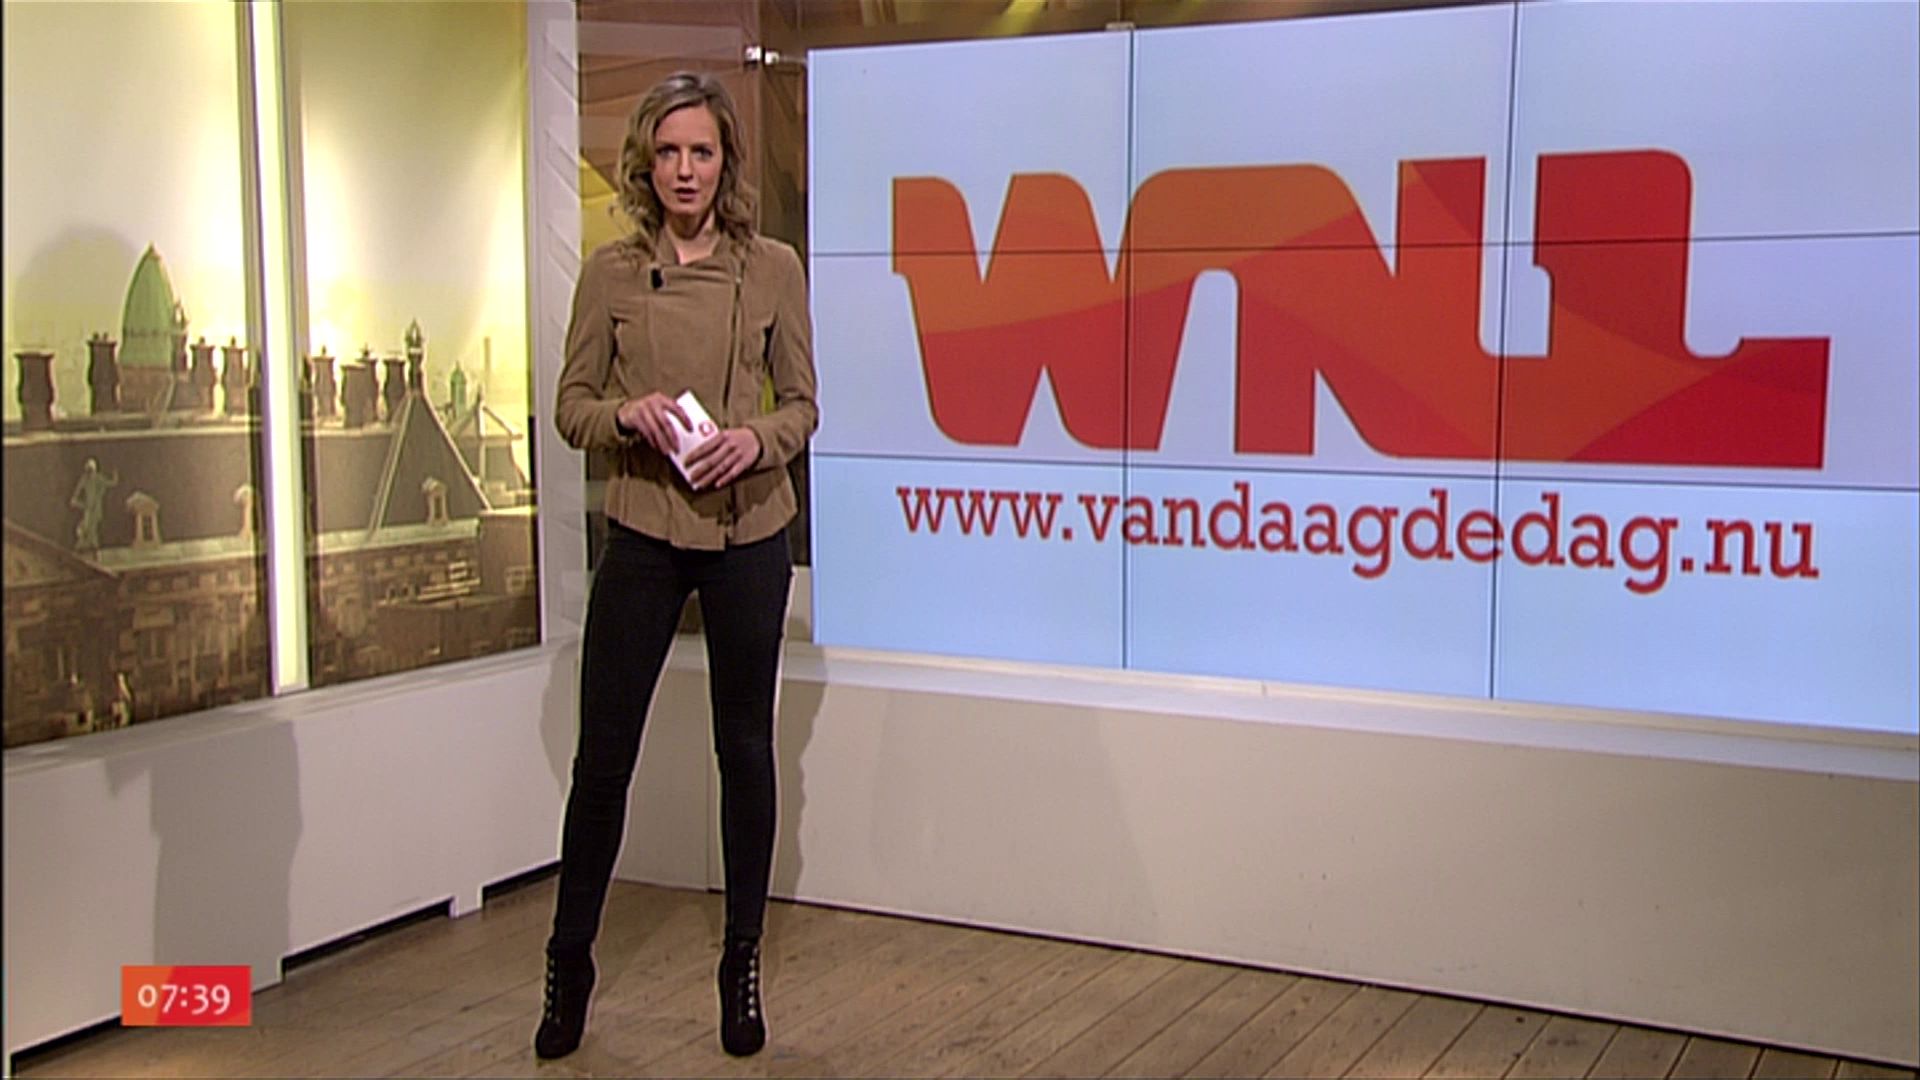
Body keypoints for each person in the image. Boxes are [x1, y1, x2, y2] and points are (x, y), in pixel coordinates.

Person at [536, 71, 817, 1061]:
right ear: (645, 165)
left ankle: (740, 967)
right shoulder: (610, 273)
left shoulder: (773, 267)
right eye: (668, 152)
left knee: (746, 751)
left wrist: (757, 440)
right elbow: (570, 408)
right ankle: (569, 963)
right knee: (602, 760)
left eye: (702, 151)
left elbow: (804, 405)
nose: (685, 170)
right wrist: (628, 414)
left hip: (749, 535)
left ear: (725, 161)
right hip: (645, 533)